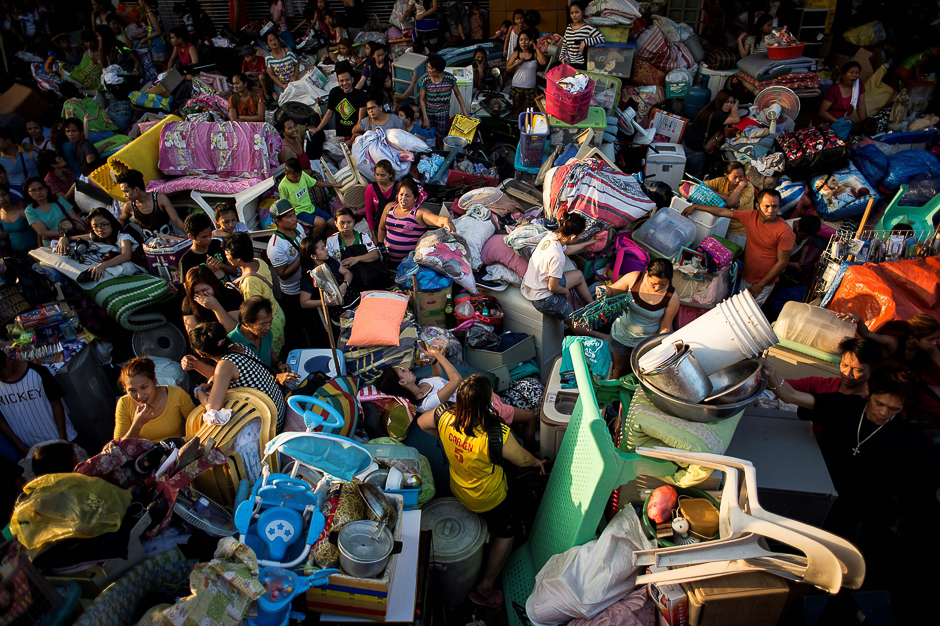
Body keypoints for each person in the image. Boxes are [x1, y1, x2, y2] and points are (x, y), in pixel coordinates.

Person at [416, 374, 546, 608]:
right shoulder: (497, 435)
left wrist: (447, 440)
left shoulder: (444, 415)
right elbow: (523, 459)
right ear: (486, 403)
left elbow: (421, 423)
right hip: (490, 498)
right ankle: (486, 586)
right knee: (507, 533)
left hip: (458, 488)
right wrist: (537, 463)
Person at [682, 189, 794, 305]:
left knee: (748, 313)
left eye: (775, 206)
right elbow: (722, 211)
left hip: (763, 283)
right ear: (758, 206)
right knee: (737, 306)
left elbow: (782, 262)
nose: (771, 210)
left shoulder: (784, 231)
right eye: (767, 206)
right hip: (746, 276)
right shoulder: (751, 216)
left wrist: (760, 285)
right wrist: (696, 207)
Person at [188, 321, 287, 429]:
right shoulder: (238, 347)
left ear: (202, 354)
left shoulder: (225, 365)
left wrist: (199, 390)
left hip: (272, 424)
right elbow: (221, 377)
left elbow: (213, 408)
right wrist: (211, 380)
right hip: (279, 409)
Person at [602, 259, 680, 378]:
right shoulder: (634, 278)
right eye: (654, 284)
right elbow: (612, 290)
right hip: (621, 336)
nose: (658, 288)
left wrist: (658, 349)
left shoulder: (672, 298)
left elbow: (665, 327)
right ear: (646, 274)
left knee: (638, 375)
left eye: (663, 284)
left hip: (644, 345)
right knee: (619, 370)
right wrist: (605, 291)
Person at [521, 212, 597, 323]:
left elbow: (568, 249)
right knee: (576, 322)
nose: (581, 237)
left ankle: (594, 306)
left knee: (578, 275)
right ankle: (603, 336)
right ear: (573, 236)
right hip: (542, 298)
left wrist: (588, 243)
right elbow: (553, 287)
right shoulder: (557, 257)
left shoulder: (552, 237)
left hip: (535, 285)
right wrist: (566, 291)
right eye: (580, 236)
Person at [0, 350, 76, 458]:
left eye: (1, 375)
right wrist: (20, 447)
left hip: (59, 439)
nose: (1, 379)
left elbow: (56, 404)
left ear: (8, 361)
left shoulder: (37, 372)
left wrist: (63, 439)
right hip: (31, 450)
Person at [770, 337, 883, 407]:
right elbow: (786, 386)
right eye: (844, 365)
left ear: (871, 371)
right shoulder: (821, 384)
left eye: (857, 370)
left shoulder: (871, 404)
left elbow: (790, 395)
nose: (847, 373)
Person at [225, 232, 287, 355]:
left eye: (227, 253)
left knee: (271, 354)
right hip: (277, 313)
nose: (226, 256)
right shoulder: (258, 261)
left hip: (268, 324)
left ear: (237, 258)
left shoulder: (249, 282)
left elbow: (254, 311)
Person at [114, 357, 195, 441]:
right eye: (132, 391)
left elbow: (197, 422)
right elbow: (118, 447)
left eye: (144, 387)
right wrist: (137, 425)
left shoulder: (177, 394)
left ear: (155, 381)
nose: (139, 395)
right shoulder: (124, 403)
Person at [378, 177, 455, 265]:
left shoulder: (419, 213)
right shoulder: (389, 207)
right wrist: (381, 246)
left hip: (409, 265)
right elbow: (381, 229)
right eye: (401, 194)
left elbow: (436, 219)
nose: (403, 199)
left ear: (415, 198)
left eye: (408, 196)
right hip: (387, 262)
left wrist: (445, 220)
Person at [54, 207, 143, 281]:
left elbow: (126, 256)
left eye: (104, 224)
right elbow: (75, 238)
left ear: (111, 223)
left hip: (133, 265)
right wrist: (64, 238)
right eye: (95, 226)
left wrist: (103, 265)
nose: (100, 229)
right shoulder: (96, 235)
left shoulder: (123, 237)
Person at [227, 297, 297, 384]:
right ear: (246, 323)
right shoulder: (233, 345)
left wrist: (278, 363)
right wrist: (276, 377)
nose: (268, 327)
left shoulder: (265, 333)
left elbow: (270, 352)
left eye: (270, 322)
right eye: (263, 324)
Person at [298, 237, 360, 326]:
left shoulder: (329, 262)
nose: (326, 250)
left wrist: (344, 284)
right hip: (338, 316)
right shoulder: (310, 276)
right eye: (322, 249)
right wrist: (325, 302)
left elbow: (347, 273)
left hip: (354, 304)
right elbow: (304, 302)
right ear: (313, 256)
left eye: (325, 247)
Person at [681, 90, 741, 179]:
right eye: (726, 102)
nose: (729, 105)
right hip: (695, 149)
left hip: (688, 142)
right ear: (720, 101)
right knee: (695, 175)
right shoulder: (716, 115)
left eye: (731, 103)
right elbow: (736, 119)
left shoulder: (711, 107)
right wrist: (735, 108)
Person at [326, 207, 388, 290]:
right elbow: (328, 261)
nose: (346, 226)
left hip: (367, 277)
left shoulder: (363, 236)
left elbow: (375, 254)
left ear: (353, 222)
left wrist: (356, 259)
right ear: (336, 224)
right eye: (342, 223)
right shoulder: (331, 240)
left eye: (349, 222)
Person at [689, 162, 753, 240]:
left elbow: (731, 203)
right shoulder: (721, 181)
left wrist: (741, 185)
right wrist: (718, 194)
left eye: (741, 177)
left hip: (736, 229)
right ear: (726, 175)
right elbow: (701, 186)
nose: (738, 180)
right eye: (734, 177)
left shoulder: (748, 188)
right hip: (718, 224)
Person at [277, 158, 339, 238]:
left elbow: (315, 182)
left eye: (299, 176)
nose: (298, 178)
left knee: (334, 224)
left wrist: (333, 185)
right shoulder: (283, 186)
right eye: (295, 177)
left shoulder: (302, 174)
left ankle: (326, 241)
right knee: (321, 223)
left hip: (311, 208)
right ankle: (313, 242)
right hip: (299, 212)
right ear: (287, 174)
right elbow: (284, 204)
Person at [117, 169, 185, 234]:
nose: (124, 195)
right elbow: (122, 220)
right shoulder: (129, 206)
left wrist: (192, 237)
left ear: (136, 190)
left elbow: (176, 220)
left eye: (126, 191)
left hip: (171, 242)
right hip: (148, 244)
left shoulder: (160, 199)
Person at [419, 54, 469, 144]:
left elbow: (458, 94)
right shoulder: (425, 80)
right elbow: (421, 99)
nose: (428, 70)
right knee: (429, 138)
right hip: (429, 113)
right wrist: (425, 117)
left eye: (431, 68)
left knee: (441, 138)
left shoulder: (449, 79)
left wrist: (465, 112)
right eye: (428, 67)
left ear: (438, 69)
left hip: (443, 114)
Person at [312, 63, 367, 141]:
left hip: (356, 136)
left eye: (347, 80)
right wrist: (318, 129)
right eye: (342, 81)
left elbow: (360, 121)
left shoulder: (361, 95)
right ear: (338, 81)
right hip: (341, 135)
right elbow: (329, 113)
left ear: (352, 79)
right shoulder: (334, 93)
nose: (345, 83)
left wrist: (352, 140)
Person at [182, 265, 242, 334]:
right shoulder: (189, 301)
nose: (202, 295)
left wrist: (216, 307)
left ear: (213, 285)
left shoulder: (231, 296)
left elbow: (235, 332)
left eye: (205, 290)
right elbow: (193, 334)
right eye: (196, 292)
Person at [23, 177, 85, 244]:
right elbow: (44, 232)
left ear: (46, 189)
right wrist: (66, 233)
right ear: (28, 193)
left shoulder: (59, 201)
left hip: (72, 239)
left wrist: (84, 232)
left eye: (40, 188)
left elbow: (76, 219)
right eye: (33, 190)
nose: (38, 193)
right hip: (52, 244)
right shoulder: (29, 210)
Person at [180, 213, 238, 280]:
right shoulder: (186, 260)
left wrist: (221, 265)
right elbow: (189, 288)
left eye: (210, 234)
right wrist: (209, 271)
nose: (209, 239)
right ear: (191, 236)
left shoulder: (216, 244)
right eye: (204, 237)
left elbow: (235, 271)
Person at [817, 61, 867, 137]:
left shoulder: (859, 84)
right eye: (851, 72)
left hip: (843, 126)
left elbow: (861, 104)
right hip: (827, 125)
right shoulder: (833, 90)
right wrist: (838, 121)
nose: (854, 75)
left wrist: (865, 122)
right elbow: (822, 112)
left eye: (857, 73)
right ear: (843, 75)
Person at [507, 28, 547, 114]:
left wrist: (535, 47)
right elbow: (508, 69)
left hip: (530, 89)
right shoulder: (516, 53)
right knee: (515, 112)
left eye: (526, 39)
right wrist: (516, 64)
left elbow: (543, 62)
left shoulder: (534, 54)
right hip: (516, 87)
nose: (523, 42)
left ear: (530, 41)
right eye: (521, 40)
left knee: (528, 113)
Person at [559, 1, 604, 70]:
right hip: (569, 64)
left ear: (582, 12)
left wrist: (585, 42)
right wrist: (562, 58)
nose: (574, 15)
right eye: (572, 13)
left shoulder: (588, 28)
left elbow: (601, 38)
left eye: (577, 12)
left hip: (581, 65)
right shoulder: (568, 28)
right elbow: (564, 46)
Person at [363, 159, 397, 240]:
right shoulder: (371, 188)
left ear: (390, 175)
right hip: (378, 225)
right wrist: (374, 235)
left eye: (383, 175)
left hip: (396, 226)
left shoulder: (399, 187)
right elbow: (369, 213)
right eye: (377, 174)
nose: (379, 178)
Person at [0, 128, 39, 195]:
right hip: (16, 193)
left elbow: (47, 163)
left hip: (36, 189)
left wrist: (36, 149)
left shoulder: (28, 151)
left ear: (8, 141)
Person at [0, 187, 36, 256]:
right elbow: (10, 231)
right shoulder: (0, 213)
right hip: (17, 254)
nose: (2, 199)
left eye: (4, 195)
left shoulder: (22, 211)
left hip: (34, 251)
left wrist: (41, 248)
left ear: (9, 195)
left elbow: (38, 231)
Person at [138, 0, 168, 66]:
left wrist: (145, 39)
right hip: (156, 44)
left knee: (161, 65)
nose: (138, 2)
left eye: (139, 0)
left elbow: (158, 32)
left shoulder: (150, 14)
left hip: (158, 44)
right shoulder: (152, 11)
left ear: (143, 1)